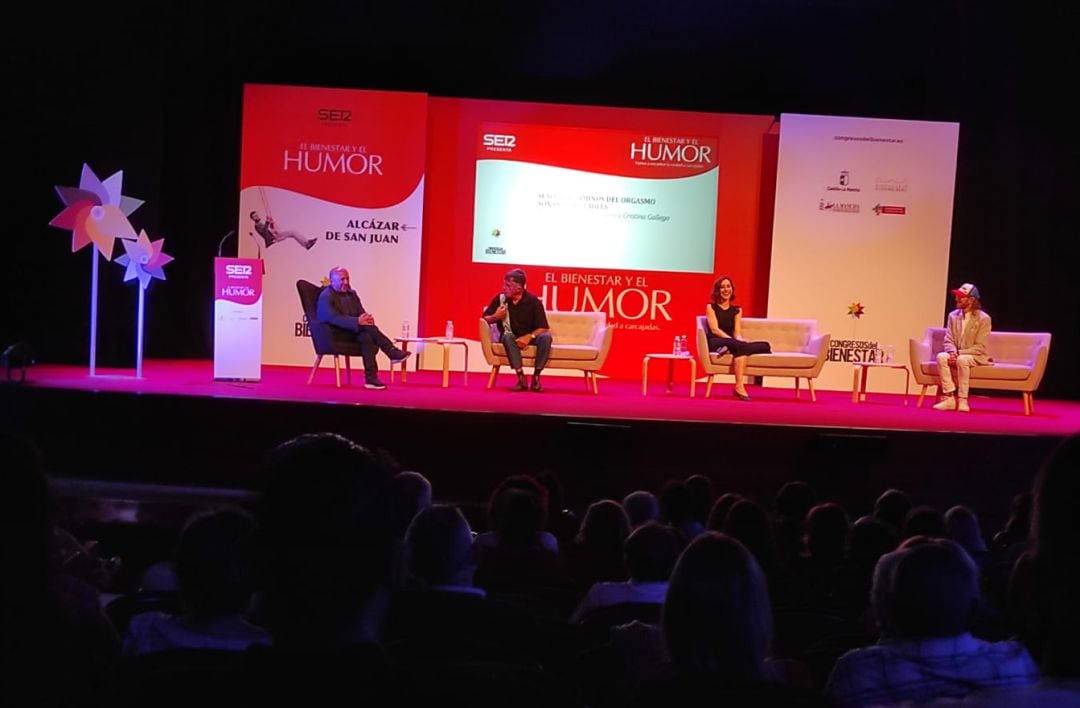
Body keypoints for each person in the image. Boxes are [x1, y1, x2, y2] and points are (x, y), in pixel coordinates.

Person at [316, 266, 411, 390]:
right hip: (335, 334)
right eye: (342, 279)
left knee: (367, 337)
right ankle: (390, 350)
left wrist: (366, 318)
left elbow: (360, 312)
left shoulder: (352, 294)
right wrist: (358, 321)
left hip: (354, 330)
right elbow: (331, 318)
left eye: (347, 279)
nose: (346, 282)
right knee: (368, 330)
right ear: (332, 281)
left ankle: (371, 379)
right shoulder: (326, 296)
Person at [482, 268, 551, 392]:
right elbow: (484, 320)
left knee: (546, 338)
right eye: (504, 284)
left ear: (519, 288)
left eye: (508, 285)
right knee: (507, 336)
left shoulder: (533, 301)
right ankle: (520, 377)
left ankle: (536, 377)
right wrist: (495, 317)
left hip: (530, 338)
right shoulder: (501, 299)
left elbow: (543, 327)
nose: (503, 288)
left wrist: (529, 336)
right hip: (511, 338)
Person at [705, 276, 771, 401]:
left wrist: (739, 340)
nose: (726, 289)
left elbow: (737, 331)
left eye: (728, 286)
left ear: (732, 289)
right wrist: (733, 341)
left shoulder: (737, 310)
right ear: (717, 290)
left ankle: (729, 350)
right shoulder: (711, 307)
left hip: (730, 342)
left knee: (764, 345)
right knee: (742, 346)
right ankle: (739, 386)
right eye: (722, 287)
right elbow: (714, 329)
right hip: (716, 341)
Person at [933, 282, 992, 412]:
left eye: (961, 296)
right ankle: (949, 398)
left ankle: (963, 400)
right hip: (958, 353)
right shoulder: (953, 316)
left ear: (971, 300)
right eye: (957, 296)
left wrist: (959, 353)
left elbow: (980, 347)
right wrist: (953, 352)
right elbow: (948, 339)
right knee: (941, 357)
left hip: (975, 356)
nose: (956, 299)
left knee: (962, 359)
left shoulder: (984, 319)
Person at [249, 211, 317, 250]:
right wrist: (267, 222)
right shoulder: (257, 226)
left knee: (293, 231)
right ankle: (306, 243)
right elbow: (264, 232)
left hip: (276, 235)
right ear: (252, 219)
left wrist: (271, 223)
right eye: (254, 216)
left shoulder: (261, 223)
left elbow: (271, 230)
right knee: (292, 232)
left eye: (256, 215)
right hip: (273, 239)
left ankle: (306, 243)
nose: (257, 216)